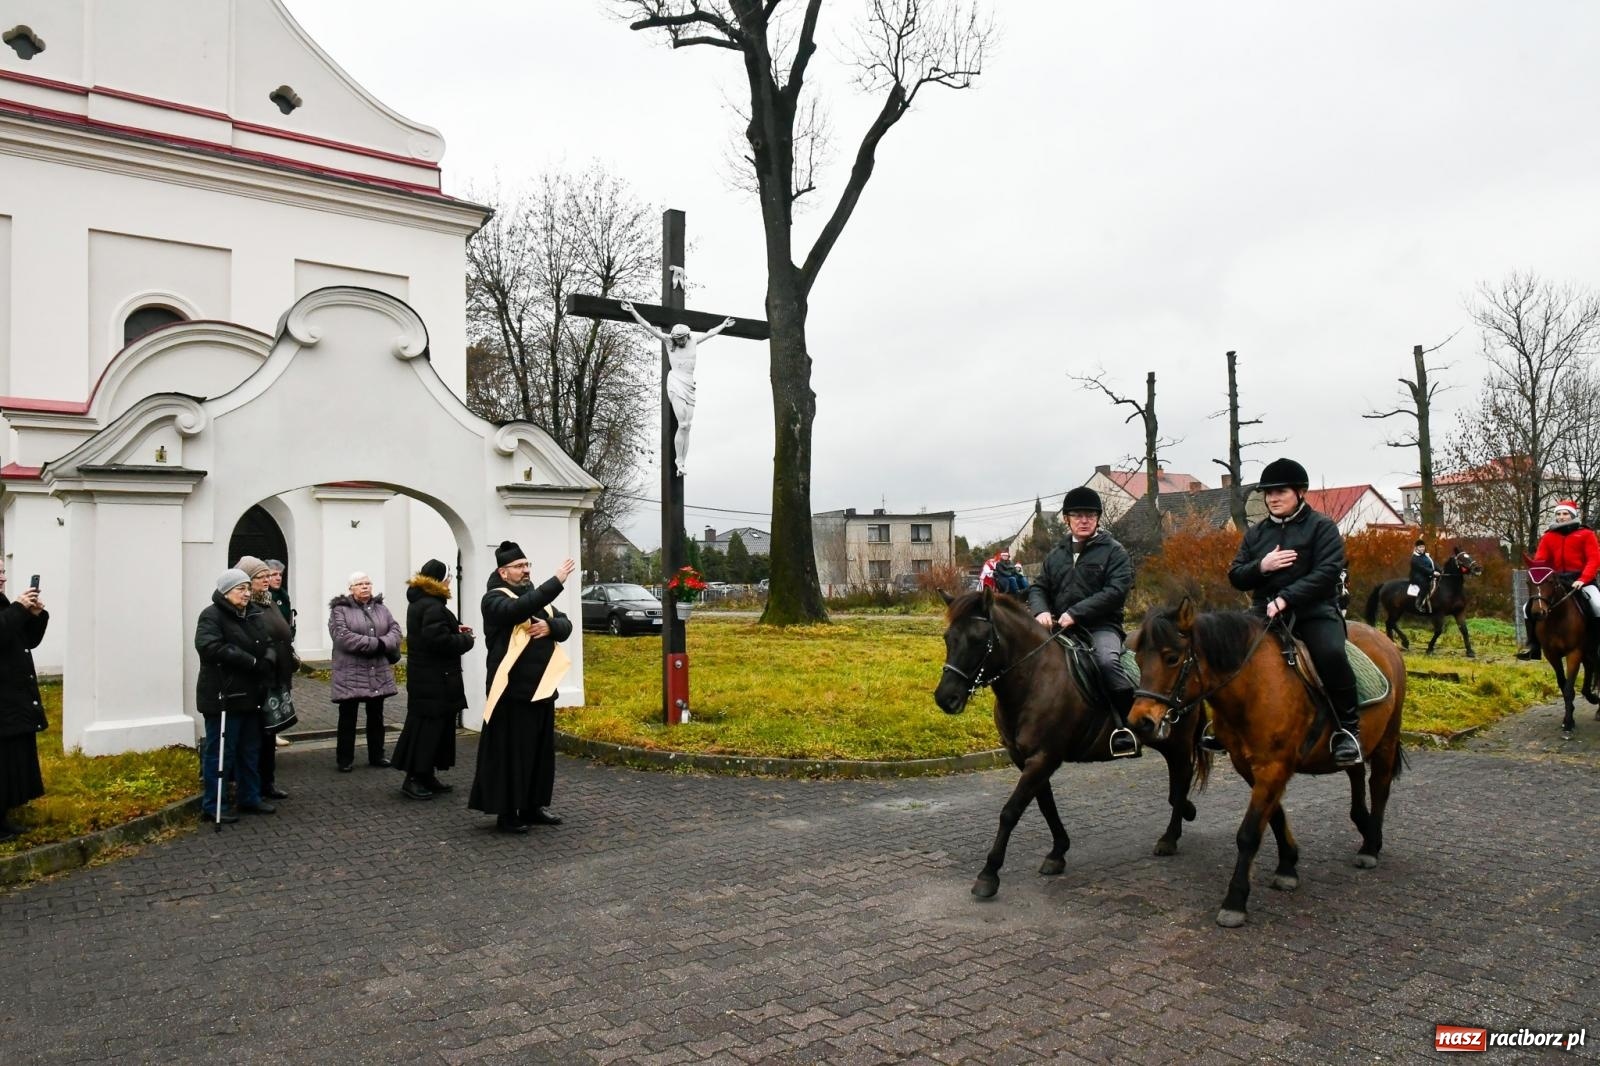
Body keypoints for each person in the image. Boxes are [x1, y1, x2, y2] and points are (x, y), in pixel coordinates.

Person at [1227, 458, 1362, 767]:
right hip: (1264, 611)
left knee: (1330, 653)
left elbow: (1328, 572)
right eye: (1268, 493)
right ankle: (1227, 725)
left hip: (1315, 610)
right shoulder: (1256, 534)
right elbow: (1235, 575)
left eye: (1280, 491)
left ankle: (1348, 731)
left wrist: (1287, 597)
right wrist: (1262, 567)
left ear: (1300, 492)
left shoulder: (1322, 527)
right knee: (1229, 651)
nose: (1273, 498)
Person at [469, 541, 575, 834]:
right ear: (503, 572)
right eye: (519, 566)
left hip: (541, 688)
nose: (526, 570)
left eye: (528, 565)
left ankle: (533, 806)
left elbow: (566, 624)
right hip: (511, 692)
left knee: (539, 752)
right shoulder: (493, 599)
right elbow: (517, 610)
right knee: (511, 753)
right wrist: (556, 582)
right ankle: (507, 812)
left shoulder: (536, 597)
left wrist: (550, 627)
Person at [1026, 487, 1139, 758]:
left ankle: (1126, 728)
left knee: (1106, 662)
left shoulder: (1115, 552)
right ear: (1066, 519)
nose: (1083, 520)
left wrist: (1076, 613)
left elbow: (1115, 591)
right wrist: (1040, 611)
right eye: (1077, 515)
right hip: (1060, 628)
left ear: (1098, 518)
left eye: (1089, 515)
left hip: (1101, 627)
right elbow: (1039, 587)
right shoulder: (1056, 554)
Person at [620, 300, 736, 477]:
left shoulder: (693, 341)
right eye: (677, 339)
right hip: (675, 382)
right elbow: (649, 327)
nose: (680, 341)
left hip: (690, 384)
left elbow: (710, 333)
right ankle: (678, 461)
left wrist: (723, 325)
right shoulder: (668, 342)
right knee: (682, 423)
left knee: (687, 426)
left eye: (682, 338)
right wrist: (633, 311)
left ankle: (682, 462)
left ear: (687, 336)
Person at [195, 568, 275, 822]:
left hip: (251, 695)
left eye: (247, 589)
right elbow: (209, 647)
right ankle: (213, 804)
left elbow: (267, 640)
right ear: (226, 592)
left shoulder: (252, 614)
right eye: (240, 589)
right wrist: (250, 662)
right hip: (224, 695)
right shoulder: (211, 615)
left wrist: (269, 659)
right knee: (221, 753)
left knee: (250, 749)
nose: (246, 593)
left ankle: (249, 797)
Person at [392, 559, 475, 801]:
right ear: (440, 580)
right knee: (427, 729)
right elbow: (437, 641)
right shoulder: (433, 605)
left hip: (428, 677)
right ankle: (414, 778)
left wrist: (455, 629)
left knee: (433, 728)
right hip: (435, 678)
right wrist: (466, 640)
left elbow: (432, 633)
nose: (450, 582)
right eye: (448, 578)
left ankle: (425, 774)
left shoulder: (422, 601)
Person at [328, 572, 402, 771]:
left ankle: (377, 755)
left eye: (368, 583)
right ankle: (344, 759)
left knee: (376, 715)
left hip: (376, 671)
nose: (365, 587)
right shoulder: (340, 610)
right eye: (359, 584)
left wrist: (383, 643)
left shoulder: (381, 608)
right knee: (348, 717)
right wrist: (376, 644)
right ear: (351, 588)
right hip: (350, 672)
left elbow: (395, 631)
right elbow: (343, 637)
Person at [0, 562, 48, 841]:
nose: (4, 577)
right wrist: (18, 610)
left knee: (11, 761)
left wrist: (35, 616)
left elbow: (25, 639)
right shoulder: (9, 607)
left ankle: (5, 816)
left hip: (13, 699)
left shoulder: (5, 603)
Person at [1516, 500, 1600, 661]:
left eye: (1565, 513)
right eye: (1559, 514)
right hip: (1556, 581)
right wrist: (1540, 575)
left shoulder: (1586, 534)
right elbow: (1541, 560)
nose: (1561, 517)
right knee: (1527, 607)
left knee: (1598, 605)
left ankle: (1596, 645)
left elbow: (1594, 560)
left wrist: (1583, 579)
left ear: (1573, 515)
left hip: (1582, 581)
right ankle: (1533, 646)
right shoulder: (1548, 536)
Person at [237, 557, 291, 799]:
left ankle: (268, 783)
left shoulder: (270, 603)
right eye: (261, 577)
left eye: (268, 576)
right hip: (259, 678)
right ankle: (253, 786)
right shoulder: (247, 607)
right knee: (255, 736)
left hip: (277, 675)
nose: (268, 581)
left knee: (270, 733)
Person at [264, 559, 295, 749]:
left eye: (279, 575)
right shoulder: (265, 597)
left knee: (284, 690)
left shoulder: (283, 594)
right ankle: (270, 730)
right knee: (272, 692)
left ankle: (277, 730)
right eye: (272, 574)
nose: (277, 578)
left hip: (284, 650)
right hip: (271, 651)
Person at [1408, 538, 1436, 614]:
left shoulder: (1427, 556)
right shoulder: (1414, 558)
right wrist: (1432, 572)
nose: (1422, 548)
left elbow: (1434, 564)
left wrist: (1440, 570)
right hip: (1417, 576)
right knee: (1425, 585)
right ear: (1416, 548)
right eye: (1420, 547)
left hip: (1427, 575)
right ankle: (1418, 604)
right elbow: (1422, 568)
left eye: (1423, 547)